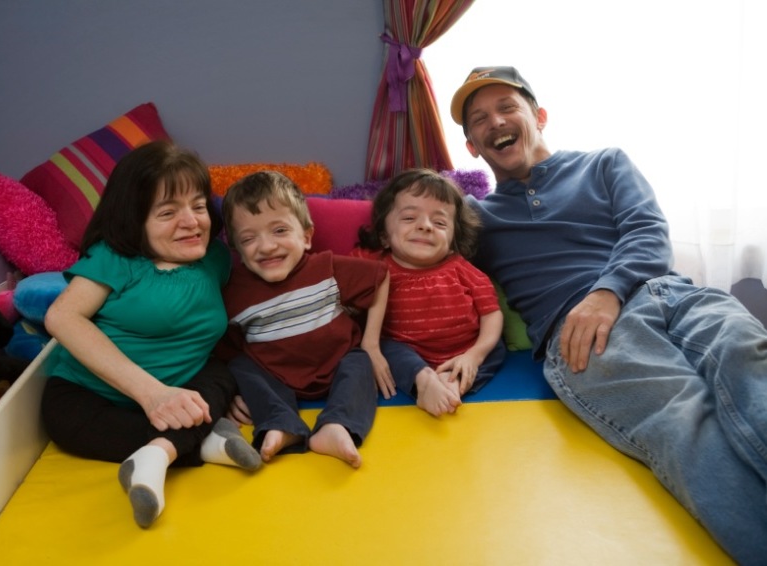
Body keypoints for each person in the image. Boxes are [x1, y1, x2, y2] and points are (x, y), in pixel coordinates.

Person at [451, 65, 767, 564]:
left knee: (747, 354)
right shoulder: (476, 218)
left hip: (671, 293)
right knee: (684, 417)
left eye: (507, 108)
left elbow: (646, 230)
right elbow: (409, 248)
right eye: (479, 120)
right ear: (472, 146)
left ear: (539, 116)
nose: (495, 122)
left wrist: (608, 290)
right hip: (582, 334)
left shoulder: (604, 164)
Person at [42, 141, 261, 529]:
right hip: (94, 397)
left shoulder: (215, 258)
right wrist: (152, 394)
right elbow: (62, 317)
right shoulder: (115, 258)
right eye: (167, 212)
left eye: (198, 206)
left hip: (186, 389)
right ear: (135, 219)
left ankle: (156, 455)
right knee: (66, 424)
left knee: (221, 375)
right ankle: (203, 442)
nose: (192, 222)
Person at [219, 171, 390, 469]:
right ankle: (281, 426)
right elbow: (229, 349)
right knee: (240, 366)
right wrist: (234, 392)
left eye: (280, 231)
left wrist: (372, 343)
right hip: (275, 376)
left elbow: (380, 277)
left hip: (337, 365)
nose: (267, 246)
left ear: (306, 237)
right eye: (249, 238)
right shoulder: (234, 293)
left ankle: (337, 426)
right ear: (237, 251)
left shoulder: (327, 268)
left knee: (360, 361)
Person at [352, 169, 505, 417]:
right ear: (384, 236)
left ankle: (455, 381)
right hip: (409, 351)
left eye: (440, 222)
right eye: (410, 218)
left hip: (465, 347)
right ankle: (423, 382)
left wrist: (474, 355)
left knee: (494, 347)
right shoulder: (378, 268)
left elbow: (491, 314)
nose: (425, 226)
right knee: (387, 350)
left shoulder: (461, 268)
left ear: (453, 238)